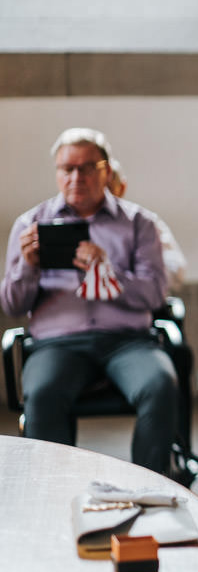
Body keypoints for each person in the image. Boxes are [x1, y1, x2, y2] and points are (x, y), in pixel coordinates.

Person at [0, 128, 178, 474]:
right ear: (57, 173)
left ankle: (153, 490)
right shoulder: (30, 225)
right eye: (67, 169)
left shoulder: (140, 223)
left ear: (106, 172)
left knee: (160, 384)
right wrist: (28, 267)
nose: (75, 177)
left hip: (128, 342)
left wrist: (110, 274)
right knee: (43, 393)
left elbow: (156, 293)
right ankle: (56, 496)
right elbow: (11, 305)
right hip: (57, 344)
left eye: (86, 168)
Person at [107, 158, 188, 293]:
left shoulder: (143, 223)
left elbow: (176, 269)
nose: (103, 197)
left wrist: (138, 273)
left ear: (122, 187)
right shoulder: (74, 223)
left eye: (108, 189)